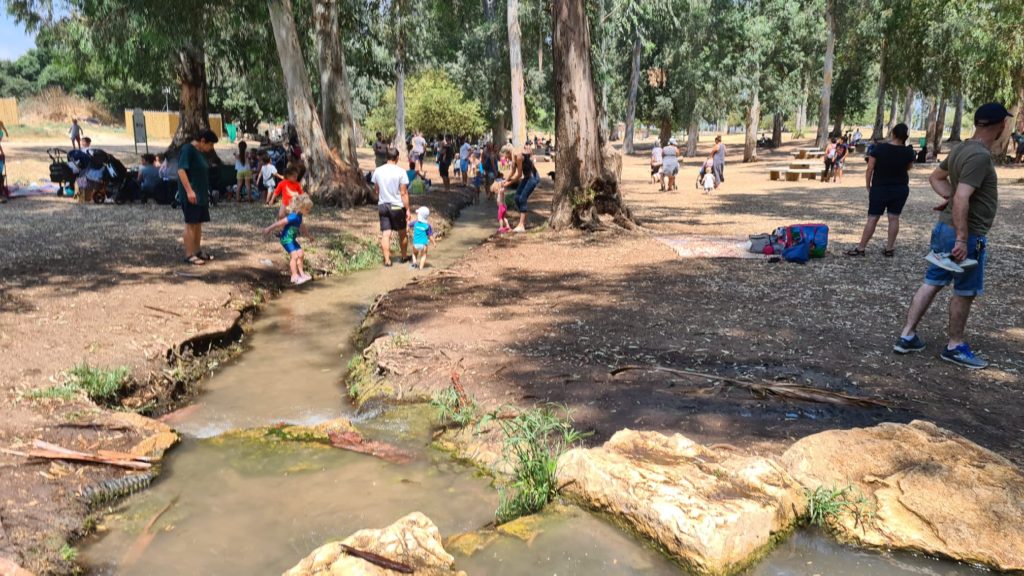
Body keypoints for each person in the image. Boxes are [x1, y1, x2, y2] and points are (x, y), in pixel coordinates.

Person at [892, 103, 1011, 369]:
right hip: (966, 235)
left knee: (933, 280)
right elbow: (962, 196)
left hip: (944, 229)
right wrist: (961, 236)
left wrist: (948, 197)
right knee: (965, 290)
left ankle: (907, 335)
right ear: (1002, 124)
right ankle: (955, 346)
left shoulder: (962, 148)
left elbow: (936, 178)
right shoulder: (979, 157)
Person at [845, 123, 915, 258]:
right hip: (900, 188)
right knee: (894, 218)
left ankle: (861, 248)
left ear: (893, 133)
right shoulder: (908, 151)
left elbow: (870, 168)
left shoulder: (879, 148)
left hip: (880, 188)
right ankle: (889, 248)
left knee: (873, 218)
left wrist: (868, 185)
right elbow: (908, 167)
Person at [176, 129, 219, 266]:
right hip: (191, 194)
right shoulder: (188, 149)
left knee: (198, 223)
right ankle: (189, 255)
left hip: (201, 194)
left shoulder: (200, 153)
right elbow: (181, 170)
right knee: (191, 223)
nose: (211, 148)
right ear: (202, 141)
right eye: (210, 145)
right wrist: (189, 191)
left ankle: (197, 250)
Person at [371, 147, 411, 266]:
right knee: (402, 233)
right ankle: (404, 257)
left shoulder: (377, 171)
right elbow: (403, 193)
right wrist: (408, 209)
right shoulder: (401, 172)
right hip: (397, 206)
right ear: (397, 158)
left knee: (386, 234)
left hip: (383, 205)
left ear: (386, 157)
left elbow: (376, 190)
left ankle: (387, 260)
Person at [263, 194, 314, 285]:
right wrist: (269, 229)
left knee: (300, 254)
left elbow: (303, 227)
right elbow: (279, 223)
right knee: (294, 256)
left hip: (292, 239)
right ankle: (294, 276)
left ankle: (302, 274)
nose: (308, 211)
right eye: (307, 209)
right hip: (286, 239)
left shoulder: (299, 216)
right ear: (300, 207)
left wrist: (309, 236)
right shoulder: (293, 216)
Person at [500, 142, 540, 232]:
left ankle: (521, 225)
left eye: (506, 157)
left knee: (522, 198)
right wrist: (505, 180)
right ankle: (524, 221)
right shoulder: (513, 158)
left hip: (532, 178)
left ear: (508, 153)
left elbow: (518, 175)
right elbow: (513, 171)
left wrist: (508, 184)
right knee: (517, 197)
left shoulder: (518, 156)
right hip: (527, 178)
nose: (506, 159)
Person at [409, 206, 435, 270]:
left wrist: (409, 231)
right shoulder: (428, 226)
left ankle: (414, 263)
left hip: (415, 244)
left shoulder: (415, 223)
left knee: (414, 254)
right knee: (423, 256)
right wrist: (434, 242)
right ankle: (421, 268)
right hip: (424, 245)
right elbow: (430, 236)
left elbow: (408, 225)